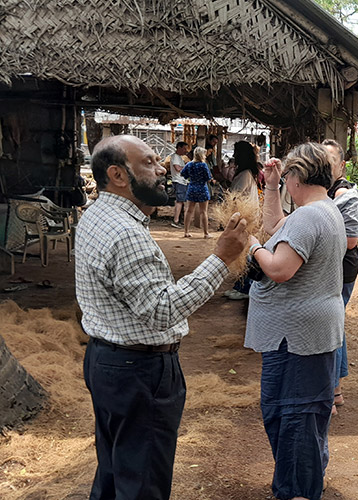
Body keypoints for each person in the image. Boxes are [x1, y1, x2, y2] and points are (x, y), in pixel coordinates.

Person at [75, 135, 247, 500]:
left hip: (107, 362)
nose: (163, 169)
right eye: (150, 162)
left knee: (114, 469)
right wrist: (221, 257)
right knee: (142, 483)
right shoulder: (126, 233)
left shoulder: (97, 215)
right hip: (139, 371)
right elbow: (162, 311)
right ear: (118, 175)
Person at [244, 142, 346, 500]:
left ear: (299, 176)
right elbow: (277, 227)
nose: (285, 183)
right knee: (300, 417)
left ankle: (298, 491)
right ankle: (302, 484)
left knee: (294, 419)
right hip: (306, 333)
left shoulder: (308, 216)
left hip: (297, 337)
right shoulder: (322, 209)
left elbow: (280, 268)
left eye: (285, 177)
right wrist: (270, 186)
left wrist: (251, 244)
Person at [322, 139, 358, 414]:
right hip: (333, 266)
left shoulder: (345, 193)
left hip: (342, 267)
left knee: (332, 327)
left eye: (330, 162)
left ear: (342, 165)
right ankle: (336, 389)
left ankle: (332, 388)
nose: (325, 167)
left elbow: (350, 239)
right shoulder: (327, 190)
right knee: (337, 324)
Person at [224, 140, 264, 301]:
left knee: (246, 254)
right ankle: (242, 286)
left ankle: (244, 288)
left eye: (236, 152)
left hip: (245, 219)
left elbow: (236, 197)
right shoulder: (248, 173)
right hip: (248, 217)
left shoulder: (245, 174)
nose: (233, 156)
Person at [181, 147, 213, 238]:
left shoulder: (189, 164)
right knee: (203, 211)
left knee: (189, 211)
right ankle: (206, 233)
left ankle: (186, 232)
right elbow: (208, 178)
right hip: (202, 188)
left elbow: (183, 174)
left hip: (192, 188)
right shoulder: (203, 165)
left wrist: (190, 177)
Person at [169, 141, 190, 228]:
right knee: (179, 201)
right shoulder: (175, 157)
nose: (185, 151)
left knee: (181, 201)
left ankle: (179, 219)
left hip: (182, 181)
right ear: (179, 148)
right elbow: (177, 168)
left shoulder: (180, 158)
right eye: (184, 149)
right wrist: (187, 167)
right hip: (179, 181)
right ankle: (176, 220)